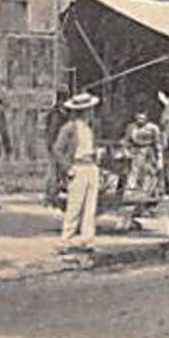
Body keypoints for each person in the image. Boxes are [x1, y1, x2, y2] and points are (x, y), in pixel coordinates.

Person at [51, 92, 101, 256]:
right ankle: (65, 240)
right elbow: (57, 149)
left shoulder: (91, 127)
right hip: (78, 167)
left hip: (91, 166)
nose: (90, 112)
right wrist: (67, 168)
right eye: (88, 110)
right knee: (74, 206)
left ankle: (87, 240)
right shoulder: (69, 128)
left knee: (90, 207)